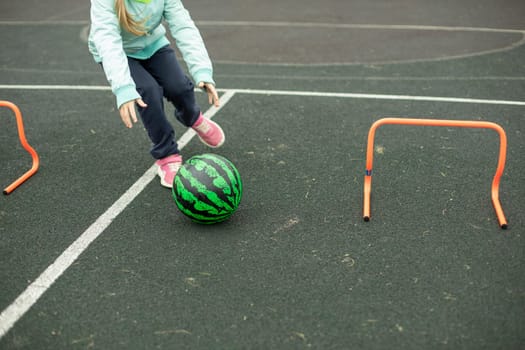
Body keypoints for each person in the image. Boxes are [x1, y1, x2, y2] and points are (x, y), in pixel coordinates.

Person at [88, 0, 225, 188]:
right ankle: (166, 154)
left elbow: (183, 26)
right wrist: (123, 88)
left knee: (179, 86)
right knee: (148, 93)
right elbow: (107, 39)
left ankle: (193, 118)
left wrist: (202, 70)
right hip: (120, 53)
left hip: (153, 44)